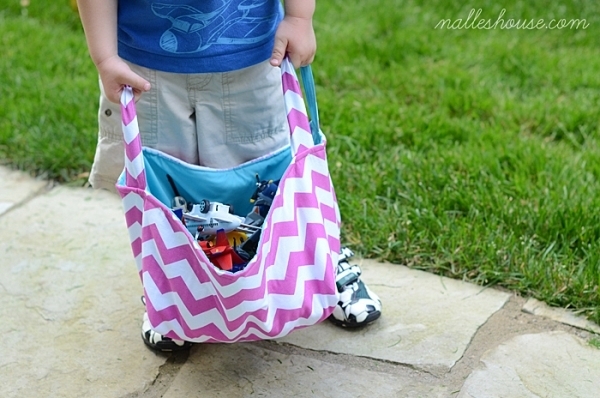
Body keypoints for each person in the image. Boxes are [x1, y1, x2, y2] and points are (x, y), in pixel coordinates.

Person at [76, 0, 382, 351]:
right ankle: (173, 292)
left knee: (275, 175)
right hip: (144, 67)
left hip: (251, 59)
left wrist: (299, 16)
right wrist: (104, 56)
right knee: (162, 184)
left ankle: (318, 265)